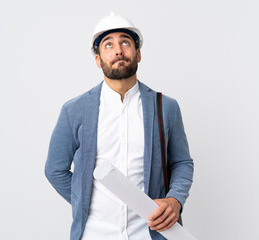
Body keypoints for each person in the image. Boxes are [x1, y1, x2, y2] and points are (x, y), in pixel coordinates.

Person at [45, 12, 194, 240]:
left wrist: (175, 200)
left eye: (126, 42)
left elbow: (182, 162)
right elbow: (55, 170)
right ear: (98, 59)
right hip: (94, 234)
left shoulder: (166, 107)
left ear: (138, 54)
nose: (118, 50)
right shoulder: (73, 110)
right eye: (108, 45)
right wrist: (85, 199)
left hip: (149, 233)